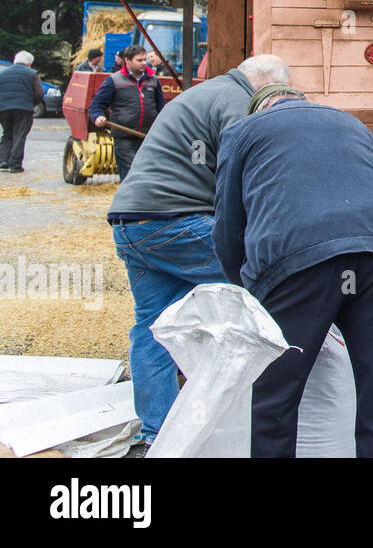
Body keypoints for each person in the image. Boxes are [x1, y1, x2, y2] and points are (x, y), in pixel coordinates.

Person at [213, 88, 373, 458]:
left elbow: (228, 227)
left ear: (261, 108)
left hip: (299, 259)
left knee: (275, 395)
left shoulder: (243, 131)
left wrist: (246, 293)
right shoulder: (353, 125)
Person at [107, 54, 293, 447]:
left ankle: (158, 434)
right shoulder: (237, 102)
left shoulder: (206, 93)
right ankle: (271, 411)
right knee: (264, 286)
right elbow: (242, 170)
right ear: (264, 84)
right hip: (173, 219)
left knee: (153, 329)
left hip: (132, 222)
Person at [88, 45, 166, 180]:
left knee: (148, 177)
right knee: (131, 177)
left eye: (144, 60)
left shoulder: (153, 80)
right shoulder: (114, 80)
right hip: (125, 137)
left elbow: (161, 108)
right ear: (128, 61)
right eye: (139, 60)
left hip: (148, 137)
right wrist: (97, 117)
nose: (144, 63)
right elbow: (96, 105)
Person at [0, 52, 44, 173]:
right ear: (29, 63)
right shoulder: (32, 73)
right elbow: (39, 93)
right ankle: (15, 165)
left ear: (15, 60)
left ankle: (3, 161)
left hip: (3, 109)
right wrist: (32, 104)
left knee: (7, 133)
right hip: (23, 108)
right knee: (19, 134)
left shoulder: (2, 73)